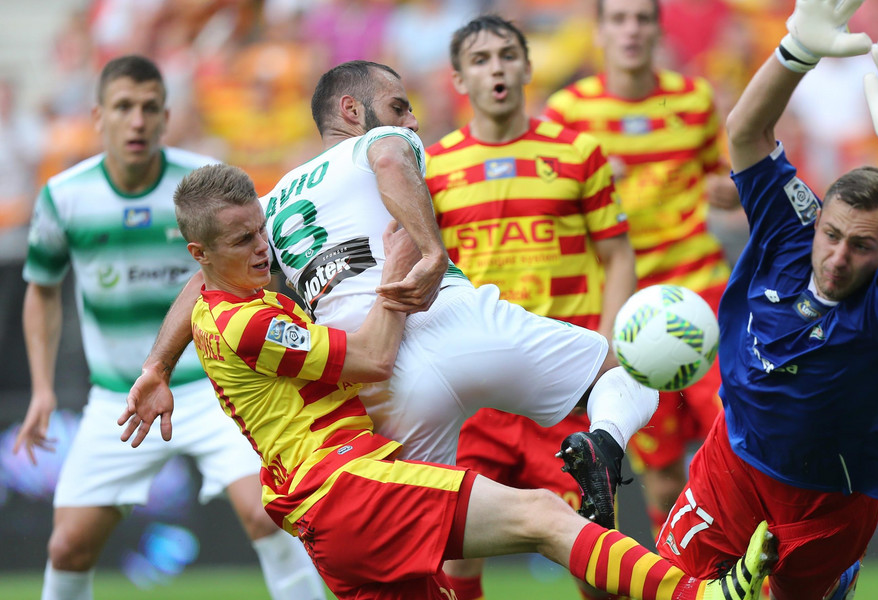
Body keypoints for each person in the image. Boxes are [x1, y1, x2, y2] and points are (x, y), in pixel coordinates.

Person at [133, 161, 777, 599]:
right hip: (346, 488)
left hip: (330, 514)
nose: (261, 251)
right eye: (242, 241)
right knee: (546, 517)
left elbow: (199, 293)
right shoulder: (246, 323)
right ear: (200, 255)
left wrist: (157, 366)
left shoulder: (225, 293)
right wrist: (395, 270)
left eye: (260, 232)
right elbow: (372, 358)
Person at [121, 59, 650, 546]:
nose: (412, 120)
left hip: (377, 381)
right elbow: (392, 156)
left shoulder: (269, 203)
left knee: (436, 535)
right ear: (352, 110)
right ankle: (603, 446)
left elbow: (201, 283)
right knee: (622, 373)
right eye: (399, 106)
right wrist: (432, 250)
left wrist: (157, 365)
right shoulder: (375, 141)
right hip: (447, 316)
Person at [12, 55, 325, 600]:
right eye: (124, 107)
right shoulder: (64, 196)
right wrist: (42, 389)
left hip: (215, 386)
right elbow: (41, 291)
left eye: (149, 108)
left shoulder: (200, 186)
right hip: (118, 396)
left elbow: (251, 267)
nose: (137, 120)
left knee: (269, 514)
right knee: (67, 548)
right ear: (98, 116)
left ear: (166, 116)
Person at [653, 1, 878, 599]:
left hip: (831, 497)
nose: (837, 257)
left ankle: (837, 578)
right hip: (734, 455)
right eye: (831, 236)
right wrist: (795, 51)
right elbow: (745, 132)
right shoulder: (789, 230)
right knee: (670, 587)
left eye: (861, 247)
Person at [423, 15, 638, 599]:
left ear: (526, 66)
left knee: (593, 555)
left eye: (506, 55)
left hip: (562, 386)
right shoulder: (433, 169)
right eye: (481, 58)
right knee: (458, 556)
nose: (496, 67)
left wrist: (611, 350)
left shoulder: (578, 152)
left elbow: (617, 254)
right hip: (474, 393)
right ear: (459, 79)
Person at [543, 0, 739, 538]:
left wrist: (731, 187)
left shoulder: (694, 101)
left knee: (737, 440)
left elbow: (718, 179)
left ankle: (753, 573)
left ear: (656, 28)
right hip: (627, 307)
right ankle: (681, 576)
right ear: (600, 32)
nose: (631, 29)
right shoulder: (567, 111)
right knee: (663, 469)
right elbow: (554, 205)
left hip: (699, 292)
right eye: (619, 18)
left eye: (641, 18)